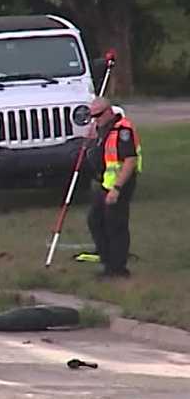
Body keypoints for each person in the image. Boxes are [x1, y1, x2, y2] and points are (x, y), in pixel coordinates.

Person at [79, 97, 142, 278]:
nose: (95, 119)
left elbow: (130, 160)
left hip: (120, 183)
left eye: (98, 115)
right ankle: (107, 262)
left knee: (115, 225)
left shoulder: (123, 129)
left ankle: (118, 269)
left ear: (108, 111)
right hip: (105, 183)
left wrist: (117, 189)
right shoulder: (101, 128)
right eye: (92, 116)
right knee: (95, 221)